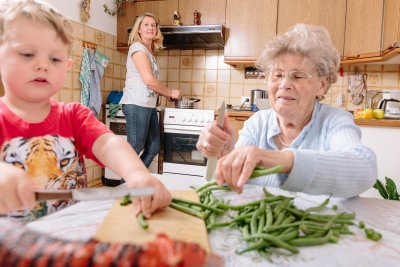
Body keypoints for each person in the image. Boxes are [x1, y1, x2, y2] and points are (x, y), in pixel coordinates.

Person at [0, 0, 170, 219]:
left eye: (54, 58)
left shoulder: (74, 116)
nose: (42, 65)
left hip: (69, 233)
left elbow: (109, 143)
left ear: (67, 66)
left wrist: (137, 173)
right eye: (26, 54)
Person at [196, 24, 377, 198]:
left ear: (322, 85)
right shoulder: (258, 122)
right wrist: (225, 155)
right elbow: (232, 185)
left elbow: (363, 168)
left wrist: (283, 161)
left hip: (318, 226)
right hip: (264, 227)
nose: (284, 84)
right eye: (278, 74)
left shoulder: (334, 121)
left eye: (297, 76)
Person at [119, 13, 181, 168]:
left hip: (148, 105)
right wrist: (169, 92)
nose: (150, 28)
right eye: (146, 24)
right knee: (135, 147)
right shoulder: (138, 48)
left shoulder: (149, 52)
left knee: (153, 147)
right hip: (136, 103)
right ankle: (126, 186)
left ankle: (135, 180)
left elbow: (150, 83)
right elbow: (148, 80)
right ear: (139, 29)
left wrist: (164, 93)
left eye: (153, 25)